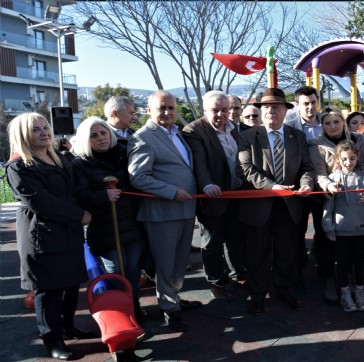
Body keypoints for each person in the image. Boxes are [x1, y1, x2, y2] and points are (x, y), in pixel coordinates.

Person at [5, 113, 93, 361]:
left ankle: (67, 326)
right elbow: (41, 203)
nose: (44, 132)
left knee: (71, 283)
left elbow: (74, 189)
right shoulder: (18, 166)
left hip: (67, 231)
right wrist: (79, 215)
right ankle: (52, 339)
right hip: (41, 234)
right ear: (23, 135)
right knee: (49, 290)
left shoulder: (57, 158)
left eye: (45, 127)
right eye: (36, 129)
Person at [237, 87, 314, 315]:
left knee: (287, 252)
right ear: (261, 111)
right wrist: (273, 187)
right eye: (267, 107)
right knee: (257, 254)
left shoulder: (296, 136)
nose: (272, 111)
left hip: (289, 207)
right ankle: (258, 295)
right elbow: (245, 169)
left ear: (285, 110)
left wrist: (307, 183)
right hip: (259, 207)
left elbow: (306, 168)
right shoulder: (247, 137)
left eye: (277, 107)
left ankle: (286, 289)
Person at [128, 90, 200, 331]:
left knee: (180, 262)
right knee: (166, 262)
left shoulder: (177, 133)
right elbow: (138, 178)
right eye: (162, 108)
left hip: (186, 209)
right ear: (149, 110)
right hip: (162, 212)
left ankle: (174, 298)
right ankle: (169, 307)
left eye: (171, 107)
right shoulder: (142, 137)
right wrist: (171, 191)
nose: (168, 112)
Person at [71, 116, 147, 321]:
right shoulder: (79, 164)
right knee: (115, 271)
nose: (101, 138)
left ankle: (135, 306)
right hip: (105, 227)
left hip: (131, 224)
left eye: (104, 133)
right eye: (94, 135)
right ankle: (122, 310)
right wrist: (102, 197)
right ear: (85, 139)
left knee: (132, 269)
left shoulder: (124, 153)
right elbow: (79, 195)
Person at [182, 91, 244, 302]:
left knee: (236, 238)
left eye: (224, 110)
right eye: (215, 110)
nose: (220, 115)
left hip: (238, 194)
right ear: (204, 110)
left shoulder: (236, 128)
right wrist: (207, 184)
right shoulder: (194, 130)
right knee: (213, 242)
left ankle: (238, 275)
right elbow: (199, 161)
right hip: (213, 196)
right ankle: (216, 282)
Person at [309, 108, 364, 302]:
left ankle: (352, 279)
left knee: (354, 245)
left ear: (343, 122)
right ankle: (328, 278)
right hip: (329, 196)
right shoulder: (317, 145)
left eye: (336, 121)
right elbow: (318, 172)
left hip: (354, 199)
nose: (333, 126)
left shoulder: (359, 140)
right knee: (327, 240)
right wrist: (328, 185)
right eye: (327, 123)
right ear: (322, 126)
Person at [322, 140, 364, 312]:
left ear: (357, 157)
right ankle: (345, 293)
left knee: (360, 262)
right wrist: (329, 228)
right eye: (345, 159)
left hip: (361, 228)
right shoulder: (333, 179)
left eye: (352, 158)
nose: (349, 162)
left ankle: (360, 292)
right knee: (343, 263)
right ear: (338, 159)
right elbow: (328, 207)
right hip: (340, 231)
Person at [284, 86, 323, 290]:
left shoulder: (328, 123)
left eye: (313, 102)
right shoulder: (289, 127)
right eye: (305, 103)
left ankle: (324, 269)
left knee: (323, 228)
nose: (310, 107)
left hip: (324, 187)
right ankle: (298, 268)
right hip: (298, 187)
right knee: (296, 229)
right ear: (297, 105)